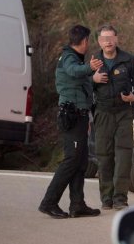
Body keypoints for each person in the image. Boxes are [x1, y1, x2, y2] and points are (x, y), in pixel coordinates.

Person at [38, 25, 103, 219]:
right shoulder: (68, 57)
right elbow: (74, 72)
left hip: (80, 116)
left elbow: (80, 82)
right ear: (84, 41)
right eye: (88, 41)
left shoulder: (76, 58)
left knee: (81, 161)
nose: (88, 44)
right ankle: (48, 202)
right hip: (72, 116)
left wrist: (93, 78)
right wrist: (90, 69)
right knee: (71, 160)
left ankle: (77, 204)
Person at [92, 24, 134, 210]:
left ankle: (120, 198)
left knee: (123, 156)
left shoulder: (128, 61)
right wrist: (93, 79)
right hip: (103, 113)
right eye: (103, 38)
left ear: (116, 39)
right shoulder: (93, 63)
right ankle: (106, 197)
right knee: (104, 156)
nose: (107, 41)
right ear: (99, 42)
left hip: (124, 113)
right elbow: (82, 86)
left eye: (110, 37)